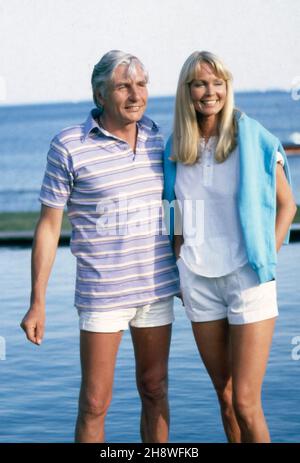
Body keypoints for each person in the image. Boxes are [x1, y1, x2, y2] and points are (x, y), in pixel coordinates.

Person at [20, 50, 179, 443]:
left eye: (141, 85)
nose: (135, 94)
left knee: (155, 388)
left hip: (157, 289)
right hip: (102, 293)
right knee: (94, 401)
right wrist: (37, 301)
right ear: (100, 94)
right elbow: (48, 225)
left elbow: (176, 207)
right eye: (123, 86)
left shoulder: (161, 139)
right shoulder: (68, 145)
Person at [163, 51, 297, 443]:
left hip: (247, 279)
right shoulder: (176, 146)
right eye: (201, 84)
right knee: (223, 398)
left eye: (217, 83)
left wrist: (267, 255)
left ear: (227, 87)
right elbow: (171, 207)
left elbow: (288, 204)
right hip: (198, 282)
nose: (210, 92)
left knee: (245, 402)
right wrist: (176, 256)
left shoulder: (251, 136)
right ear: (187, 91)